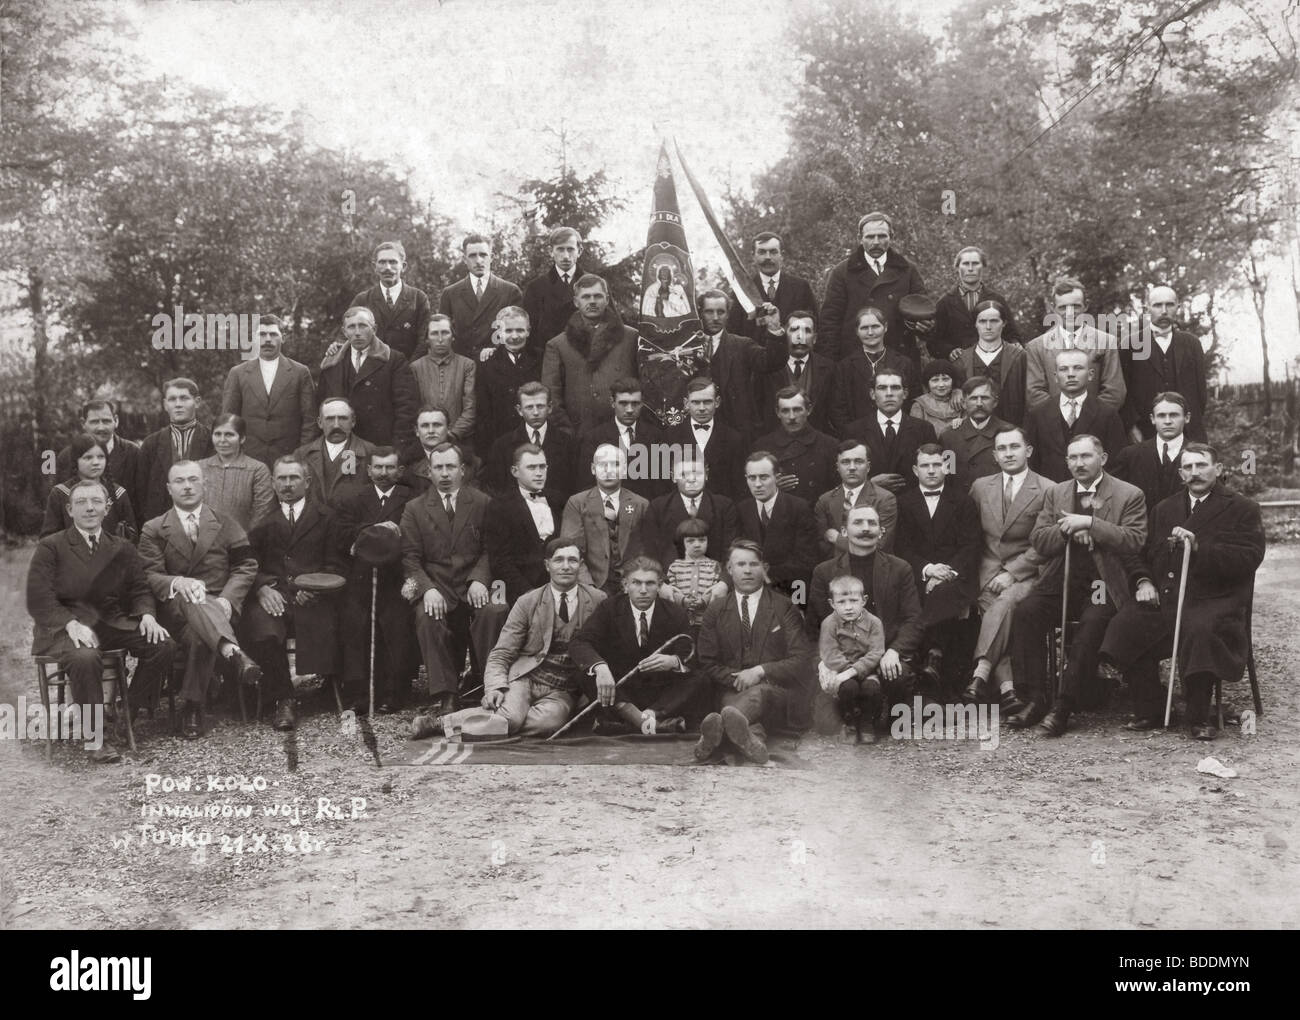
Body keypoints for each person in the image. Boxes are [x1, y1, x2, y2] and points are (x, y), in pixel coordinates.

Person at [1098, 443, 1265, 740]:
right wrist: (1143, 581)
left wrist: (1199, 546)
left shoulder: (1241, 508)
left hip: (1216, 601)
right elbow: (1140, 554)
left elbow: (1249, 558)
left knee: (1200, 628)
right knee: (1126, 623)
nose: (1195, 472)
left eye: (1202, 465)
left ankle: (1199, 715)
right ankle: (1151, 706)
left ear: (1219, 470)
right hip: (1169, 597)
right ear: (1180, 473)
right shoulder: (1164, 508)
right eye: (1188, 467)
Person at [26, 478, 177, 763]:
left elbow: (140, 589)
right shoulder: (51, 546)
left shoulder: (122, 547)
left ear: (107, 508)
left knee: (164, 645)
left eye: (96, 502)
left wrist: (147, 614)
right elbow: (40, 596)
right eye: (81, 503)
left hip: (110, 623)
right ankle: (96, 737)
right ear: (69, 510)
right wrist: (69, 623)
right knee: (85, 657)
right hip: (64, 628)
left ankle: (126, 713)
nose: (89, 508)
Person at [1008, 435, 1147, 735]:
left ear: (1103, 458)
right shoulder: (1057, 493)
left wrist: (1091, 525)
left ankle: (1064, 705)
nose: (1079, 463)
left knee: (1092, 622)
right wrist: (1067, 530)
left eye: (1086, 457)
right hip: (1063, 576)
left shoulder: (1128, 494)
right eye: (1073, 458)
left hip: (1103, 580)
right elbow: (1039, 539)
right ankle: (1035, 697)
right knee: (1026, 612)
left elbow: (1134, 539)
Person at [412, 537, 604, 739]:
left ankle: (492, 721)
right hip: (525, 678)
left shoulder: (598, 600)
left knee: (548, 723)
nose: (566, 566)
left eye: (572, 560)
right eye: (559, 560)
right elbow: (502, 652)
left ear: (580, 565)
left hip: (563, 689)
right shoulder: (528, 601)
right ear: (547, 565)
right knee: (512, 717)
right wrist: (494, 687)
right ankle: (441, 724)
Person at [137, 461, 262, 740]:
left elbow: (246, 565)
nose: (188, 486)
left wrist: (229, 599)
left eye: (193, 480)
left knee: (198, 632)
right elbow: (148, 574)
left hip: (221, 607)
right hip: (175, 610)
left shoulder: (226, 522)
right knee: (192, 598)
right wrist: (177, 582)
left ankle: (193, 707)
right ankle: (232, 652)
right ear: (169, 489)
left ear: (205, 485)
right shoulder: (154, 528)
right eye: (180, 481)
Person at [401, 442, 507, 717]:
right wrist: (426, 590)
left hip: (474, 583)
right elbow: (410, 558)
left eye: (450, 467)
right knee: (426, 616)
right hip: (437, 585)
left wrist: (480, 579)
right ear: (429, 471)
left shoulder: (482, 502)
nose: (445, 473)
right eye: (439, 467)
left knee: (494, 611)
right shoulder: (414, 508)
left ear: (462, 470)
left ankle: (490, 684)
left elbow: (490, 548)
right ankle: (447, 693)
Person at [241, 455, 344, 730]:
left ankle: (332, 687)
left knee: (332, 623)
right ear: (273, 484)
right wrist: (262, 587)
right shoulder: (262, 522)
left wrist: (313, 589)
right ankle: (283, 700)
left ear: (307, 482)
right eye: (282, 479)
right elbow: (249, 564)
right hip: (275, 597)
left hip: (313, 598)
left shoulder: (327, 518)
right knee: (263, 629)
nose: (287, 484)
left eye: (294, 478)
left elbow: (335, 564)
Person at [694, 540, 816, 763]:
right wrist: (739, 679)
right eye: (740, 564)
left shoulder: (784, 606)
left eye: (753, 564)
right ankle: (752, 740)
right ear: (729, 570)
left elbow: (801, 658)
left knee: (757, 694)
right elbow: (708, 661)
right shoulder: (716, 609)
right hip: (731, 689)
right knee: (735, 711)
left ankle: (711, 738)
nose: (747, 570)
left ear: (765, 568)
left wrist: (759, 671)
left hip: (775, 693)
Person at [808, 505, 924, 738]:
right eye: (858, 523)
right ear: (844, 530)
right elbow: (814, 626)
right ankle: (851, 712)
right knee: (825, 726)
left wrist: (894, 651)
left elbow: (914, 619)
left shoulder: (900, 568)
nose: (865, 529)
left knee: (896, 680)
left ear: (881, 531)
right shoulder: (824, 571)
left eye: (872, 523)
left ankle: (881, 709)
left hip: (882, 655)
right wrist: (823, 663)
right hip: (840, 659)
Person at [961, 426, 1049, 714]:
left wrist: (1012, 572)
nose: (1008, 453)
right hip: (985, 572)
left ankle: (981, 673)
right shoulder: (980, 487)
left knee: (1006, 602)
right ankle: (1008, 689)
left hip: (1028, 574)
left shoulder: (1048, 489)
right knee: (996, 609)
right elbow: (972, 535)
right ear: (995, 455)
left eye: (1014, 447)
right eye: (1002, 449)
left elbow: (1046, 544)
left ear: (1029, 451)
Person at [571, 557, 708, 734]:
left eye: (650, 583)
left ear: (659, 586)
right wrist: (601, 668)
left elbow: (690, 654)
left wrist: (674, 662)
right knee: (585, 673)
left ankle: (640, 720)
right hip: (621, 692)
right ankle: (651, 724)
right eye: (636, 583)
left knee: (701, 678)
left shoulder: (675, 613)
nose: (643, 590)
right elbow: (579, 642)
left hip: (660, 694)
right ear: (625, 585)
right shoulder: (609, 608)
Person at [334, 447, 419, 713]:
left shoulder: (412, 499)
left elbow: (417, 535)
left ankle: (396, 690)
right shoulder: (354, 499)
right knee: (356, 624)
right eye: (378, 468)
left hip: (397, 577)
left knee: (396, 625)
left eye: (390, 468)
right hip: (361, 578)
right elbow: (342, 533)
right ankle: (361, 691)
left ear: (400, 471)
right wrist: (375, 531)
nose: (384, 473)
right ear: (368, 470)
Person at [894, 444, 981, 698]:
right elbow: (901, 546)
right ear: (915, 469)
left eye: (936, 464)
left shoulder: (963, 501)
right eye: (925, 465)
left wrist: (946, 573)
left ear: (945, 466)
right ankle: (933, 658)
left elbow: (970, 545)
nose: (931, 470)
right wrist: (929, 570)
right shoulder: (903, 502)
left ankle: (934, 656)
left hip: (957, 577)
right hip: (918, 576)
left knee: (945, 593)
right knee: (934, 595)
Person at [819, 212, 931, 363]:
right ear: (860, 239)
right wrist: (829, 364)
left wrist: (923, 324)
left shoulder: (907, 270)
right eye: (870, 237)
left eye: (882, 236)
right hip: (856, 358)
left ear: (891, 236)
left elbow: (923, 311)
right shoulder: (842, 272)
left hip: (900, 356)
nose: (876, 242)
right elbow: (830, 322)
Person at [542, 273, 639, 434]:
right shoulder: (558, 345)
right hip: (579, 434)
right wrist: (567, 432)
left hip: (624, 431)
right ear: (576, 302)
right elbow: (552, 397)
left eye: (598, 296)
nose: (592, 301)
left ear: (607, 299)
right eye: (586, 297)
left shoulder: (631, 337)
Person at [318, 306, 420, 456]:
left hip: (381, 447)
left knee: (376, 479)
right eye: (352, 327)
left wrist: (397, 449)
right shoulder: (333, 362)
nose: (357, 332)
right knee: (348, 476)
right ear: (344, 331)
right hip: (345, 447)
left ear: (374, 329)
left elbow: (406, 408)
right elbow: (321, 404)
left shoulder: (394, 360)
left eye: (363, 326)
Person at [219, 313, 317, 467]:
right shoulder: (238, 373)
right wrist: (236, 457)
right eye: (262, 334)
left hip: (289, 461)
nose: (267, 340)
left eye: (273, 334)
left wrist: (300, 457)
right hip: (248, 460)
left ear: (283, 337)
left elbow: (310, 420)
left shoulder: (300, 372)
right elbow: (229, 420)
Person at [694, 289, 788, 439]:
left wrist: (774, 328)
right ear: (700, 314)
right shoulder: (688, 347)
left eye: (721, 312)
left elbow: (772, 362)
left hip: (736, 432)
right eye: (709, 312)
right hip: (698, 430)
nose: (716, 317)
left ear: (728, 314)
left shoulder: (742, 345)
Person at [1024, 348, 1128, 482]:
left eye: (1078, 368)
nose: (1071, 374)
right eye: (1064, 369)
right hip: (1050, 494)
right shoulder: (1038, 414)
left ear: (1090, 374)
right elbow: (1031, 463)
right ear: (1055, 377)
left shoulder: (1107, 414)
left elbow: (1117, 463)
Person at [1024, 276, 1126, 412]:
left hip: (1096, 425)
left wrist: (1088, 418)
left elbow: (1114, 391)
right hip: (1053, 426)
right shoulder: (1036, 347)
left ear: (1086, 306)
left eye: (1076, 306)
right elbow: (1034, 393)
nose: (1070, 313)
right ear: (1053, 308)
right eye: (1063, 307)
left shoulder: (1106, 342)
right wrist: (1063, 418)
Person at [1121, 285, 1208, 443]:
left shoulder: (1192, 343)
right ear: (1147, 309)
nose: (1163, 311)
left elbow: (1201, 393)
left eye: (1169, 304)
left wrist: (1192, 426)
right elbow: (1124, 392)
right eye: (1157, 305)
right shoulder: (1131, 344)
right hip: (1145, 433)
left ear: (1178, 307)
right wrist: (1132, 428)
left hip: (1188, 434)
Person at [561, 443, 650, 595]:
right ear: (593, 469)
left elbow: (647, 550)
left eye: (615, 464)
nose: (608, 471)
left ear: (624, 469)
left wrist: (636, 583)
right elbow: (571, 551)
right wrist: (589, 588)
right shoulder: (577, 503)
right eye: (602, 465)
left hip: (632, 584)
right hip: (593, 583)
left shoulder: (640, 504)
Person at [484, 443, 567, 603]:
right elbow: (500, 561)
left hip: (559, 584)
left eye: (542, 467)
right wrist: (528, 592)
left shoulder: (559, 500)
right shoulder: (500, 506)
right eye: (531, 468)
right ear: (515, 471)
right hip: (520, 588)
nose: (539, 473)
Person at [734, 451, 820, 598]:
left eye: (764, 477)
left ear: (777, 478)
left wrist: (766, 574)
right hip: (750, 589)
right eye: (752, 478)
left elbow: (806, 560)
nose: (758, 484)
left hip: (790, 588)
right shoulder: (742, 510)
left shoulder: (798, 508)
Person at [636, 455, 737, 574]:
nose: (691, 479)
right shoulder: (658, 507)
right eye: (684, 474)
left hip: (714, 580)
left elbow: (731, 550)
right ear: (673, 476)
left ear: (706, 475)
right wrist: (662, 584)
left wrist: (723, 583)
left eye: (697, 474)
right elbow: (650, 550)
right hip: (669, 582)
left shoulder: (724, 506)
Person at [817, 574, 886, 744]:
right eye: (841, 602)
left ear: (864, 600)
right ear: (832, 604)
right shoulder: (829, 623)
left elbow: (876, 652)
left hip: (868, 671)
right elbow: (829, 653)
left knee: (871, 688)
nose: (848, 607)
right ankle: (850, 723)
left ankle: (867, 723)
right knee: (848, 688)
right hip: (841, 671)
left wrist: (855, 671)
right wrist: (847, 672)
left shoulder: (874, 623)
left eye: (853, 601)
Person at [135, 378, 213, 527]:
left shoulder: (211, 440)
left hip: (203, 524)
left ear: (197, 402)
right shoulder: (151, 444)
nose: (178, 404)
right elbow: (141, 491)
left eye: (184, 398)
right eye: (172, 399)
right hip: (161, 525)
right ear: (165, 405)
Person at [829, 306, 920, 433]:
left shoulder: (904, 363)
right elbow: (838, 408)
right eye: (864, 328)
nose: (870, 332)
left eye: (875, 326)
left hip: (898, 433)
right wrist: (852, 433)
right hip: (858, 437)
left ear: (885, 327)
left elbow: (913, 402)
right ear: (857, 331)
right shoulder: (845, 367)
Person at [1110, 392, 1192, 531]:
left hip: (1185, 538)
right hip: (1140, 540)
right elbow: (1112, 496)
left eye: (1174, 415)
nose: (1167, 421)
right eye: (1161, 415)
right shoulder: (1130, 455)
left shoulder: (1199, 456)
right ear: (1152, 419)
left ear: (1187, 418)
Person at [575, 378, 667, 502]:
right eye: (623, 403)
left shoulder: (656, 436)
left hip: (647, 510)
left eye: (635, 404)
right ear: (612, 402)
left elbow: (661, 486)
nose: (629, 410)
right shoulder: (594, 438)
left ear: (642, 404)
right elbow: (586, 485)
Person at [841, 369, 932, 493]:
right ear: (872, 394)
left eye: (895, 388)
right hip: (869, 504)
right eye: (882, 388)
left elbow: (936, 470)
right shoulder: (854, 430)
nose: (889, 393)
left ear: (905, 393)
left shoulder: (924, 429)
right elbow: (843, 474)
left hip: (912, 507)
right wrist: (869, 484)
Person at [438, 233, 524, 359]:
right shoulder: (450, 293)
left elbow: (517, 332)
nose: (478, 261)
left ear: (492, 257)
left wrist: (495, 350)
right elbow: (443, 334)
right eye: (472, 256)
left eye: (483, 255)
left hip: (498, 365)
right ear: (464, 259)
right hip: (462, 366)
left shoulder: (510, 291)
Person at [475, 305, 544, 459]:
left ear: (528, 331)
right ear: (499, 333)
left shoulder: (541, 358)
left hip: (533, 437)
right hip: (500, 439)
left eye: (520, 330)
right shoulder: (487, 362)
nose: (514, 336)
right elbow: (483, 411)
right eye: (508, 331)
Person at [930, 246, 1023, 360]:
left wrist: (1015, 343)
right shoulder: (945, 303)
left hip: (993, 364)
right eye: (965, 263)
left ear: (983, 266)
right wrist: (949, 351)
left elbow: (1012, 334)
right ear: (957, 267)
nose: (970, 268)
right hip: (960, 367)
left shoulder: (997, 300)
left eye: (975, 263)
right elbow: (934, 342)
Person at [485, 381, 577, 497]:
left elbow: (573, 488)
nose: (535, 412)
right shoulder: (502, 446)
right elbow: (497, 489)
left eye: (540, 406)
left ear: (549, 408)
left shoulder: (568, 443)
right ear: (519, 410)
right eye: (529, 407)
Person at [663, 377, 747, 501]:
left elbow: (739, 487)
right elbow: (663, 484)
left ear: (717, 402)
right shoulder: (669, 437)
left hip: (720, 513)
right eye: (696, 402)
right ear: (686, 403)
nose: (702, 408)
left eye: (707, 402)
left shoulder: (733, 439)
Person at [726, 231, 820, 342]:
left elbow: (815, 327)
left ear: (782, 255)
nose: (768, 257)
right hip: (755, 357)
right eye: (762, 252)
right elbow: (733, 333)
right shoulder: (742, 291)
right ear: (753, 256)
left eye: (773, 252)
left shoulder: (801, 287)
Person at [752, 387, 839, 506]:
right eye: (785, 411)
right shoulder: (763, 446)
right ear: (777, 412)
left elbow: (837, 492)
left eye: (797, 410)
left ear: (809, 410)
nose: (792, 417)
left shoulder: (830, 445)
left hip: (816, 516)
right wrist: (771, 488)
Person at [349, 240, 433, 361]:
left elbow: (424, 340)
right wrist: (336, 345)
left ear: (403, 266)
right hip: (371, 372)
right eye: (382, 262)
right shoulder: (363, 299)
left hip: (407, 370)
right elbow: (347, 334)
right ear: (375, 267)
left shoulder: (418, 298)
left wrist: (409, 368)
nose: (387, 268)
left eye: (393, 262)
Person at [42, 434, 136, 541]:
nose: (96, 462)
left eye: (101, 457)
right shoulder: (61, 493)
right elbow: (48, 538)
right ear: (75, 461)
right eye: (88, 457)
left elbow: (131, 537)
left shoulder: (118, 493)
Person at [813, 440, 899, 556]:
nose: (852, 467)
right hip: (835, 569)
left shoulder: (885, 499)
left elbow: (880, 545)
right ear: (837, 467)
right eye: (845, 462)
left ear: (868, 467)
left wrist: (837, 539)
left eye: (858, 462)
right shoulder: (825, 500)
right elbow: (821, 546)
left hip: (873, 569)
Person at [758, 310, 835, 435]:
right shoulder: (767, 367)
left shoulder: (829, 368)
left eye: (807, 331)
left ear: (815, 338)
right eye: (794, 330)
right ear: (785, 334)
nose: (800, 337)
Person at [54, 400, 140, 513]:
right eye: (94, 422)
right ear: (83, 423)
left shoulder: (133, 453)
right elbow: (61, 500)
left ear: (116, 421)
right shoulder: (67, 456)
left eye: (106, 421)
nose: (101, 428)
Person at [953, 300, 1027, 426]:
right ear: (975, 324)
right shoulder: (962, 359)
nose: (988, 326)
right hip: (976, 430)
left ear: (1004, 323)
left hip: (1011, 426)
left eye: (994, 321)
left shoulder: (1019, 357)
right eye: (982, 321)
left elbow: (1027, 398)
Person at [293, 398, 376, 508]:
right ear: (320, 422)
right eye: (330, 419)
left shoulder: (369, 451)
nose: (336, 425)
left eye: (343, 418)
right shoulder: (302, 454)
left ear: (353, 422)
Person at [199, 413, 275, 533]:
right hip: (204, 542)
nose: (222, 440)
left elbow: (262, 512)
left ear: (242, 438)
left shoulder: (258, 470)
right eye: (217, 434)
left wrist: (242, 540)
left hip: (243, 543)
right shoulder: (199, 467)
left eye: (229, 434)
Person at [408, 315, 476, 445]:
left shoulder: (467, 365)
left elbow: (470, 408)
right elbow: (413, 408)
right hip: (426, 439)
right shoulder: (415, 368)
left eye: (445, 333)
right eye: (434, 334)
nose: (440, 339)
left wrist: (453, 433)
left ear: (453, 336)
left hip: (460, 440)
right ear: (427, 339)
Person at [938, 375, 1014, 493]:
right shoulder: (949, 437)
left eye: (984, 398)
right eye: (973, 398)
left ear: (995, 402)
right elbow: (948, 477)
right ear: (964, 403)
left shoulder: (1009, 434)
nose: (979, 403)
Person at [522, 226, 585, 359]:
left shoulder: (594, 284)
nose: (566, 256)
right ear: (551, 251)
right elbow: (528, 333)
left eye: (571, 249)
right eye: (560, 249)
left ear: (579, 251)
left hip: (584, 359)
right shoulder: (536, 288)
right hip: (547, 360)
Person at [664, 517, 726, 630]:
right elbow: (672, 590)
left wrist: (703, 601)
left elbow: (715, 589)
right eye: (690, 541)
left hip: (707, 622)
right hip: (681, 622)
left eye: (702, 540)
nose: (697, 545)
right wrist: (683, 600)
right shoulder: (675, 566)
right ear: (682, 543)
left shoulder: (714, 565)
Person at [910, 360, 966, 436]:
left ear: (953, 381)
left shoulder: (959, 399)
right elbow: (914, 435)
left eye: (945, 379)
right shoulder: (919, 405)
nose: (941, 385)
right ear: (928, 383)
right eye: (935, 380)